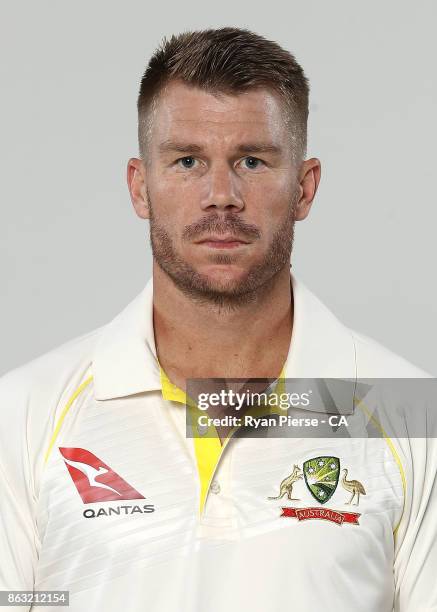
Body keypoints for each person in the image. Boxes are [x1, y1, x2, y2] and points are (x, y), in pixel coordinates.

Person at [0, 27, 435, 612]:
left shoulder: (410, 418)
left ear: (305, 188)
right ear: (140, 187)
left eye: (252, 161)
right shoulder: (23, 415)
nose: (221, 195)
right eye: (187, 161)